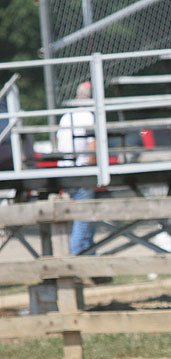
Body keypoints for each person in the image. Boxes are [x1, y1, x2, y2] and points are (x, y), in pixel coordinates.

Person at [56, 81, 97, 256]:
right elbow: (92, 148)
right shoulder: (87, 116)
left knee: (84, 218)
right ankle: (76, 256)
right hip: (81, 172)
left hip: (65, 171)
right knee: (83, 217)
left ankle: (89, 259)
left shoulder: (66, 115)